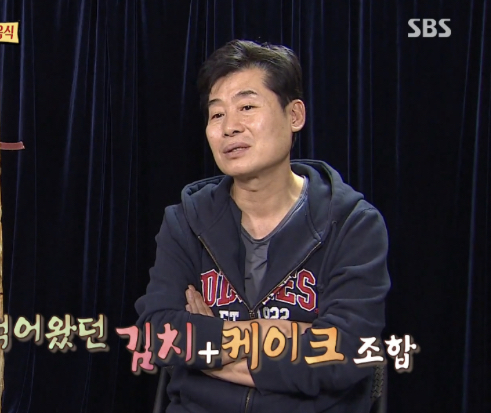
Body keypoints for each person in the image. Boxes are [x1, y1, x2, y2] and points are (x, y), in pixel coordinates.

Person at [135, 40, 391, 413]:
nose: (229, 127)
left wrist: (210, 344)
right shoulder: (184, 221)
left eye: (247, 107)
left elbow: (346, 352)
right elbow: (158, 334)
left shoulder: (353, 224)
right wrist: (283, 337)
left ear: (295, 115)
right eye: (217, 114)